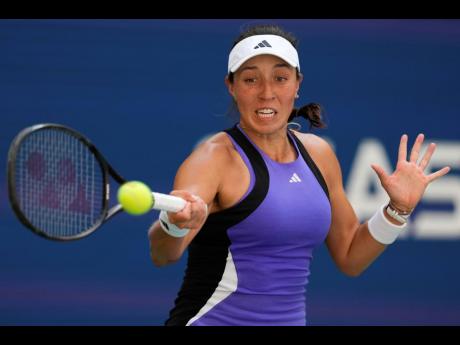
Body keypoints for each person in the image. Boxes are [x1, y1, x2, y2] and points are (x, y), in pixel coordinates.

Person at [147, 24, 451, 326]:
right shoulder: (212, 158)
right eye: (251, 79)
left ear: (297, 84)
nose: (267, 93)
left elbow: (350, 256)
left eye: (280, 78)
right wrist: (174, 225)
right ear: (232, 86)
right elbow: (163, 254)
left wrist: (398, 211)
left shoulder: (319, 155)